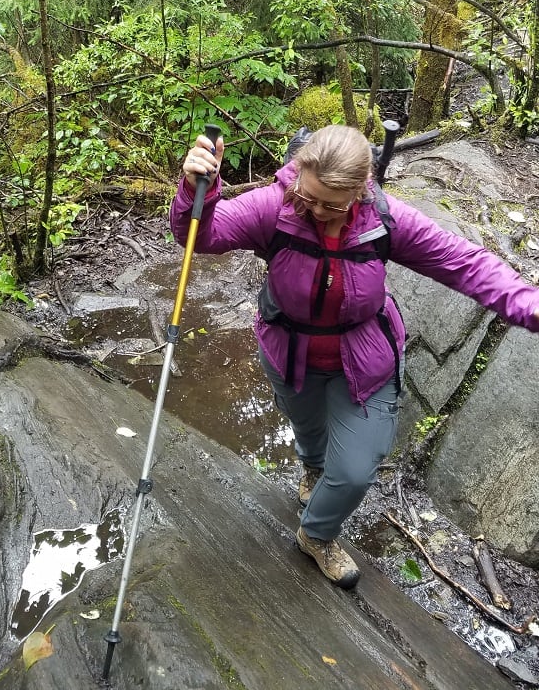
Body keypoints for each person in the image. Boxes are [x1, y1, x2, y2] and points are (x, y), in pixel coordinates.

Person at [170, 125, 539, 590]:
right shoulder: (277, 205)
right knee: (308, 431)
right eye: (309, 196)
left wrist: (529, 304)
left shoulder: (384, 219)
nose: (316, 210)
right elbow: (201, 236)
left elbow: (464, 263)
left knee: (355, 470)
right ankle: (311, 469)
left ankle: (316, 535)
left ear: (361, 188)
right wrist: (193, 188)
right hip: (290, 353)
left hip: (365, 360)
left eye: (331, 204)